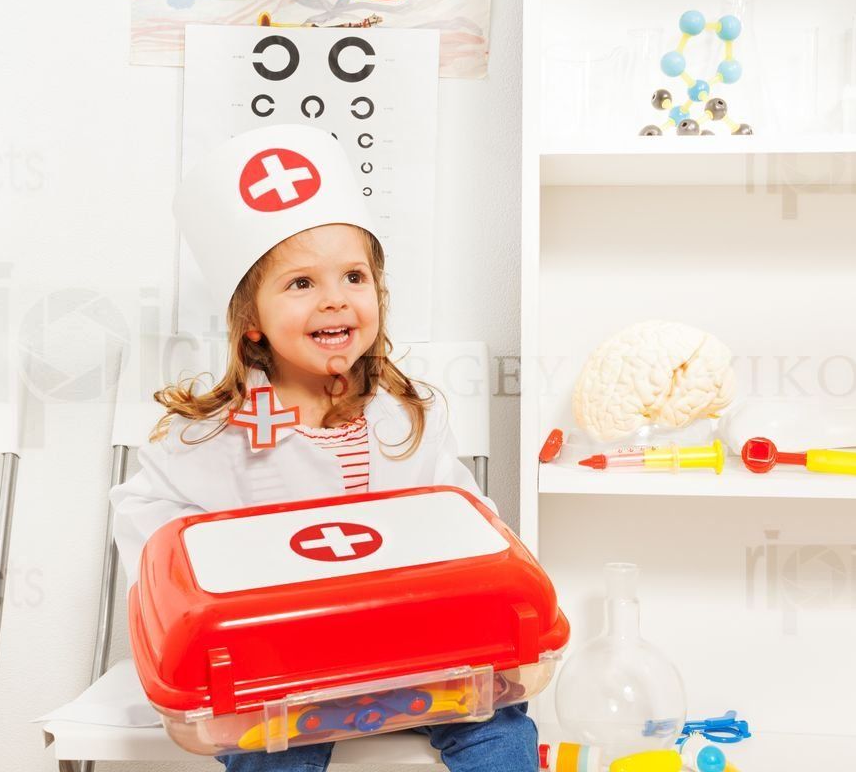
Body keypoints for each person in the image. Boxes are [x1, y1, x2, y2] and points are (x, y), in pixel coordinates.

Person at [111, 123, 537, 772]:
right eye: (301, 283)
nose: (335, 296)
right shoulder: (216, 434)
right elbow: (150, 528)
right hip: (278, 670)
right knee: (266, 754)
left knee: (501, 724)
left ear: (378, 293)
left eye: (354, 276)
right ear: (250, 317)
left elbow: (465, 518)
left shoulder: (407, 417)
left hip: (411, 656)